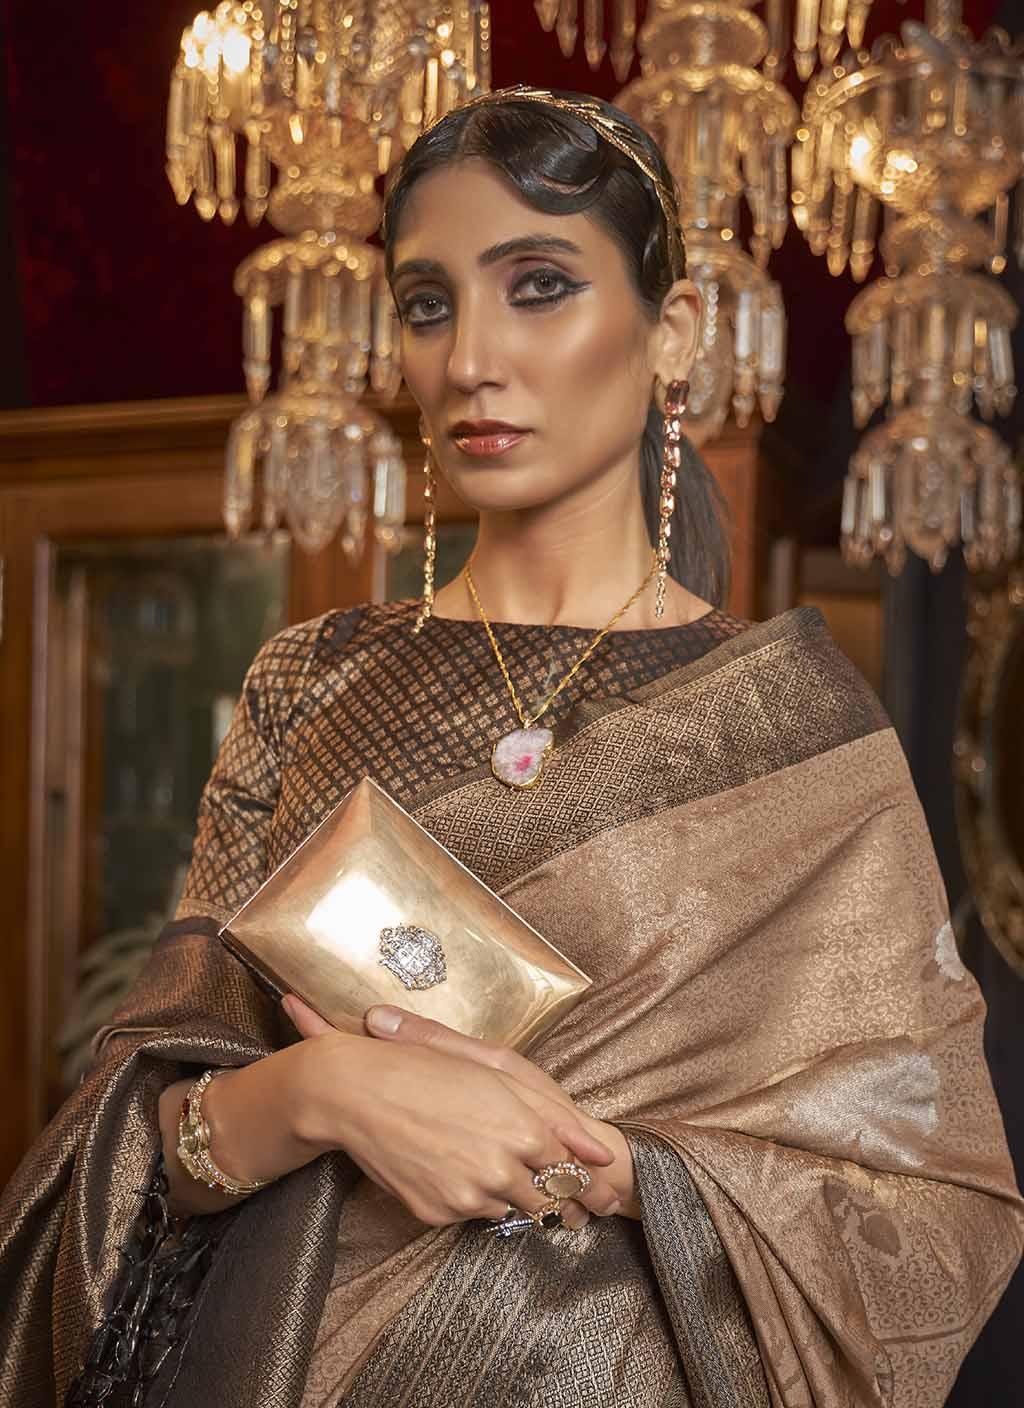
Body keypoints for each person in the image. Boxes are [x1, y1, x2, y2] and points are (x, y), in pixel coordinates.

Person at [1, 85, 1021, 1408]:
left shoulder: (799, 730)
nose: (472, 357)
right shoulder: (312, 683)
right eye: (429, 304)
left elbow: (934, 1206)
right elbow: (139, 1146)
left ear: (672, 335)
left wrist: (620, 1171)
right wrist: (323, 1095)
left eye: (540, 288)